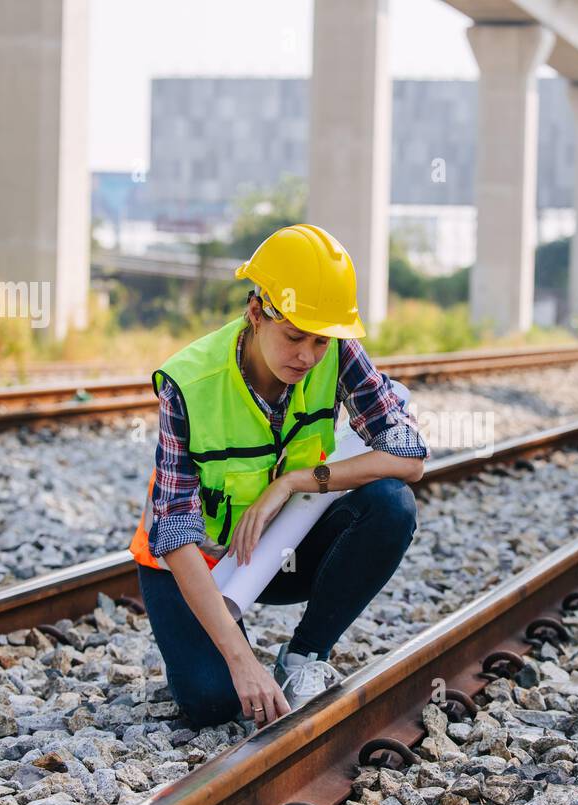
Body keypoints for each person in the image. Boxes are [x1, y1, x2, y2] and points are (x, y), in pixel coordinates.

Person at [128, 223, 428, 729]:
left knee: (390, 505)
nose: (308, 356)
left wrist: (292, 482)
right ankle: (227, 651)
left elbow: (408, 456)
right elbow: (175, 532)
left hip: (281, 550)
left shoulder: (335, 350)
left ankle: (304, 657)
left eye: (319, 340)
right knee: (215, 703)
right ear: (255, 311)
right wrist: (241, 662)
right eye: (293, 337)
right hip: (197, 563)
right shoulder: (189, 383)